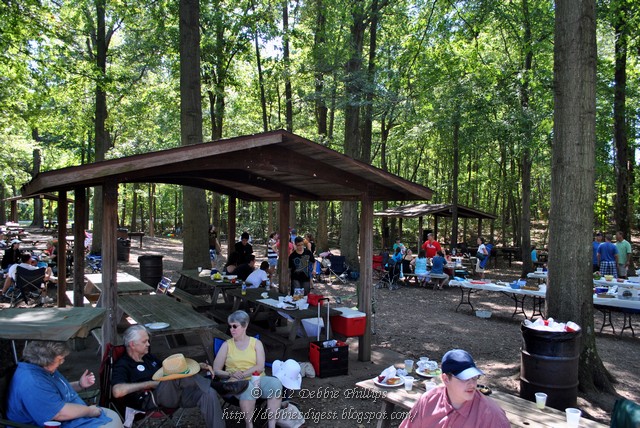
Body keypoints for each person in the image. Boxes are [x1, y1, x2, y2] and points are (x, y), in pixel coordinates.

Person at [111, 325, 225, 428]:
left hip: (174, 393)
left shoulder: (148, 358)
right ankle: (221, 386)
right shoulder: (123, 364)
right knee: (174, 378)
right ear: (132, 344)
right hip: (151, 401)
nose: (148, 344)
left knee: (208, 393)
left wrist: (198, 366)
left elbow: (171, 369)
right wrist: (149, 384)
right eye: (144, 342)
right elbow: (117, 391)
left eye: (148, 341)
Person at [7, 340, 123, 427]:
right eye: (60, 359)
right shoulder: (33, 382)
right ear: (46, 360)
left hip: (71, 416)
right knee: (113, 423)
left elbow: (52, 392)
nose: (62, 362)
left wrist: (79, 385)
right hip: (58, 421)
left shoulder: (44, 369)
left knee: (113, 417)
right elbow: (59, 413)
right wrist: (89, 411)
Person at [399, 349, 510, 428]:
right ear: (446, 379)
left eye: (474, 377)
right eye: (464, 378)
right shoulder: (427, 401)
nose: (472, 384)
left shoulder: (493, 416)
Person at [211, 310, 282, 428]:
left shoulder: (256, 343)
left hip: (257, 379)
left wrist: (243, 374)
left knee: (275, 384)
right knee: (248, 388)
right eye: (230, 326)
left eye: (235, 326)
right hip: (235, 382)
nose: (232, 329)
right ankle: (249, 425)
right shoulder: (227, 345)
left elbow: (260, 366)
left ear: (245, 326)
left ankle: (272, 425)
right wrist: (230, 374)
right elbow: (216, 369)